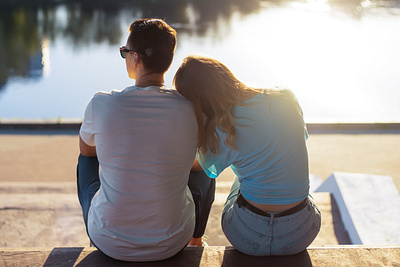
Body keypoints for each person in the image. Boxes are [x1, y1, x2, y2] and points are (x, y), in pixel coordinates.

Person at [77, 19, 215, 262]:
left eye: (124, 53)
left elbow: (87, 152)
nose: (125, 58)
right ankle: (196, 239)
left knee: (85, 163)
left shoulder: (101, 104)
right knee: (206, 166)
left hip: (108, 241)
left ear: (136, 58)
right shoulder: (194, 110)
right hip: (173, 242)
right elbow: (197, 166)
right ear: (168, 61)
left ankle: (95, 232)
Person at [173, 55, 321, 256]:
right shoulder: (286, 97)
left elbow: (195, 167)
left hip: (248, 237)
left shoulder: (222, 127)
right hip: (301, 234)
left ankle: (195, 241)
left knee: (229, 175)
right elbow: (300, 139)